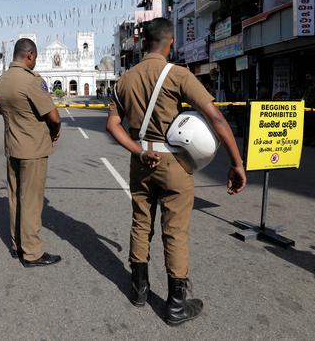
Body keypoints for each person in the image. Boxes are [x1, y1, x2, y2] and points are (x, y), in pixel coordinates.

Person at [105, 18, 247, 326]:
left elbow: (112, 125)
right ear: (171, 44)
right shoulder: (178, 75)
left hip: (141, 160)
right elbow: (216, 118)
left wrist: (139, 151)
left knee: (141, 222)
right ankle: (176, 304)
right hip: (174, 164)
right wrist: (236, 162)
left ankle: (139, 289)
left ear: (144, 44)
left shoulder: (123, 81)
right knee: (175, 231)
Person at [0, 38, 62, 267]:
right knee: (31, 201)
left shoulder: (1, 82)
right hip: (32, 149)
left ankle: (17, 245)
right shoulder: (32, 81)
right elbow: (54, 117)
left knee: (15, 198)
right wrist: (55, 132)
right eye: (35, 57)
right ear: (30, 55)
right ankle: (32, 253)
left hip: (12, 146)